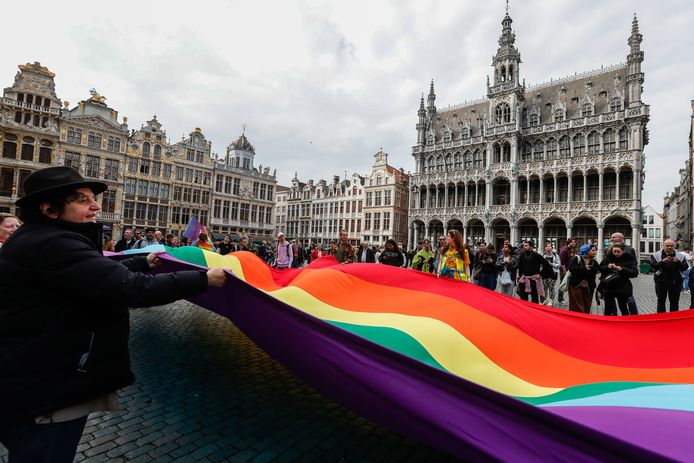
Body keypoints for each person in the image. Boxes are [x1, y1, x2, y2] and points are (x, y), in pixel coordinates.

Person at [0, 167, 228, 463]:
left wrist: (143, 262)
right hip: (46, 389)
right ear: (49, 209)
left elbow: (93, 274)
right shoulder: (53, 244)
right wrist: (203, 279)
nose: (96, 206)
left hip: (34, 379)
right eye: (82, 200)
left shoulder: (46, 238)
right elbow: (130, 289)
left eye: (93, 198)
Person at [599, 243, 638, 316]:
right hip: (609, 286)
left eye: (618, 251)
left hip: (622, 287)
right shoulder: (608, 257)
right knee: (608, 308)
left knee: (623, 307)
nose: (616, 253)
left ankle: (625, 323)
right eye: (614, 251)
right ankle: (606, 324)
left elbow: (634, 273)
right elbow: (600, 268)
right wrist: (608, 267)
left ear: (623, 251)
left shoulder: (628, 258)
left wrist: (622, 269)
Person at [650, 239, 689, 312]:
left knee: (674, 302)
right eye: (667, 246)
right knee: (661, 301)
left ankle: (673, 319)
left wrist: (678, 262)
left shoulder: (680, 256)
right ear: (663, 246)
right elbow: (652, 266)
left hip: (675, 282)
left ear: (674, 246)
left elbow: (685, 267)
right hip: (661, 282)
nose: (669, 247)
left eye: (671, 246)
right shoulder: (656, 255)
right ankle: (661, 319)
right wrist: (662, 262)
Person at [609, 232, 639, 313]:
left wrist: (627, 270)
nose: (611, 239)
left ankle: (634, 315)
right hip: (612, 278)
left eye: (613, 237)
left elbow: (633, 263)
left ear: (620, 238)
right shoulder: (608, 249)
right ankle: (613, 315)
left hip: (624, 277)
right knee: (612, 300)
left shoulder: (630, 249)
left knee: (629, 298)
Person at [568, 243, 599, 313]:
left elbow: (593, 273)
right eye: (593, 250)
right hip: (576, 285)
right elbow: (572, 269)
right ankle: (576, 320)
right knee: (577, 306)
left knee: (587, 305)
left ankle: (585, 320)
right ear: (587, 251)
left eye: (595, 250)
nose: (595, 252)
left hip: (589, 286)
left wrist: (582, 271)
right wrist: (584, 269)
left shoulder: (594, 262)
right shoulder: (576, 258)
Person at [558, 238, 577, 305]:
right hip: (564, 271)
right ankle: (560, 300)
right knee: (563, 284)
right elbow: (561, 262)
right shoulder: (564, 250)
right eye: (572, 242)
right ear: (568, 243)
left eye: (574, 242)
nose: (574, 243)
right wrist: (564, 271)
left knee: (570, 285)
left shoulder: (572, 250)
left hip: (571, 270)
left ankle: (571, 299)